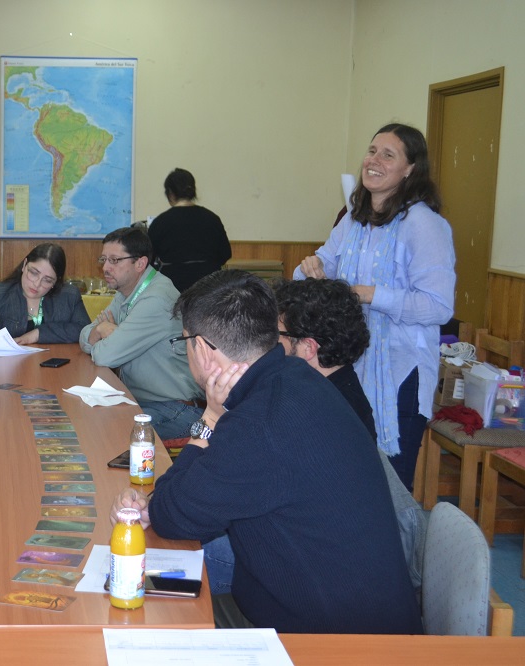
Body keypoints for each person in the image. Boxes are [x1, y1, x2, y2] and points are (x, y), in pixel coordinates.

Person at [112, 270, 423, 634]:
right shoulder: (294, 378)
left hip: (329, 643)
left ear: (202, 348)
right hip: (339, 612)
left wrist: (210, 416)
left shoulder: (258, 424)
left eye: (184, 343)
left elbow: (169, 515)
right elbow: (175, 501)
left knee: (146, 612)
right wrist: (212, 415)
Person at [203, 277, 427, 596]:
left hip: (316, 572)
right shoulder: (334, 388)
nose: (265, 345)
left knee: (185, 550)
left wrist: (214, 417)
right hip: (304, 537)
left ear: (308, 348)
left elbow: (232, 484)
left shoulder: (312, 409)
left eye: (275, 336)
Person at [295, 123, 456, 490]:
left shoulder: (424, 224)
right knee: (346, 476)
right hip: (348, 366)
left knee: (389, 487)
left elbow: (438, 306)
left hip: (400, 374)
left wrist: (371, 294)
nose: (374, 161)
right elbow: (317, 268)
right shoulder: (354, 220)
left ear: (410, 169)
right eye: (371, 151)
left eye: (388, 154)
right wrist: (309, 267)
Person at [79, 227, 203, 440]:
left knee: (108, 436)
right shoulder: (128, 291)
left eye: (114, 260)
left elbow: (104, 356)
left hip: (175, 409)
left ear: (140, 263)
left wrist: (109, 338)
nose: (106, 268)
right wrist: (100, 331)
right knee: (86, 421)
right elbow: (85, 336)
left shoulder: (156, 299)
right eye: (104, 259)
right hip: (142, 401)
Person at [0, 243, 89, 347]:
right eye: (34, 273)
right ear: (24, 265)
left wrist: (37, 334)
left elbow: (85, 330)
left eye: (47, 280)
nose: (36, 284)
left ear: (56, 282)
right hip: (7, 371)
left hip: (57, 370)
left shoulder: (69, 296)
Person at [147, 168, 231, 293]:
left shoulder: (160, 222)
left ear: (170, 193)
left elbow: (149, 259)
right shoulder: (212, 219)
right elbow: (226, 254)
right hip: (209, 287)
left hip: (172, 288)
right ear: (193, 190)